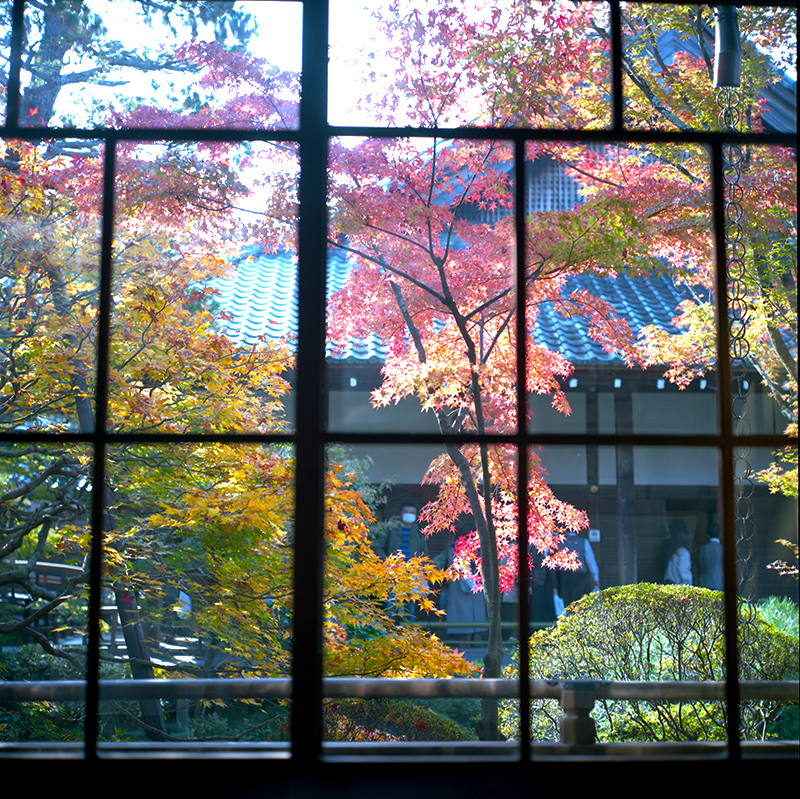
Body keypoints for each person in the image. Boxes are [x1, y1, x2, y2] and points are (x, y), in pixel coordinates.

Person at [556, 531, 600, 608]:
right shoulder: (583, 541)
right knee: (580, 603)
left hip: (562, 576)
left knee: (565, 603)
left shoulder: (559, 542)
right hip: (579, 576)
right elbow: (590, 560)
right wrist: (595, 577)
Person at [698, 524, 723, 590]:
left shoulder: (703, 548)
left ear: (707, 535)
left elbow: (702, 565)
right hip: (721, 582)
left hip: (707, 582)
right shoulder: (722, 548)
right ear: (720, 534)